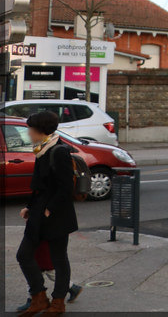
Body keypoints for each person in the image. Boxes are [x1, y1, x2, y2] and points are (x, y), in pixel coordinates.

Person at [16, 110, 78, 317]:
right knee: (24, 255)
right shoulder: (41, 149)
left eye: (30, 130)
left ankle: (58, 302)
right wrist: (29, 206)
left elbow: (65, 187)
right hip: (38, 211)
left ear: (40, 130)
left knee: (59, 259)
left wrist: (50, 209)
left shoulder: (58, 151)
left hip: (55, 214)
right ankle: (39, 297)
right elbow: (40, 185)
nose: (28, 134)